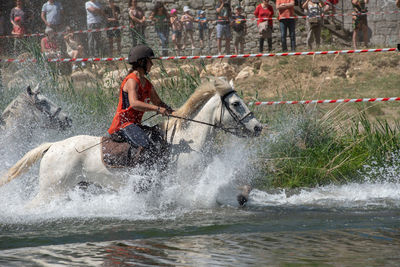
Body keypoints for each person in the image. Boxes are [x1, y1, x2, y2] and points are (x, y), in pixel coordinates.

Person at [108, 45, 173, 154]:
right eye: (149, 61)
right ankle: (139, 171)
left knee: (158, 135)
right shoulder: (131, 81)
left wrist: (173, 111)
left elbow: (159, 102)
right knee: (146, 146)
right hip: (123, 125)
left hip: (135, 125)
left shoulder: (147, 84)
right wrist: (157, 109)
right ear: (142, 62)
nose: (152, 64)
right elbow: (134, 103)